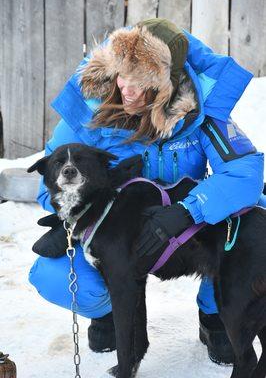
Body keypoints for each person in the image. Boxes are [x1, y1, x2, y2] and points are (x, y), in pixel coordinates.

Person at [29, 18, 265, 365]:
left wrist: (189, 210)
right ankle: (112, 309)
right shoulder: (90, 108)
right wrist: (73, 223)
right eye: (123, 75)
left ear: (167, 85)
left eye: (142, 83)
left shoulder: (199, 114)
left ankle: (216, 311)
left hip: (185, 228)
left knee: (254, 216)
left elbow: (244, 172)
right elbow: (48, 184)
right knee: (53, 274)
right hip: (115, 234)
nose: (127, 90)